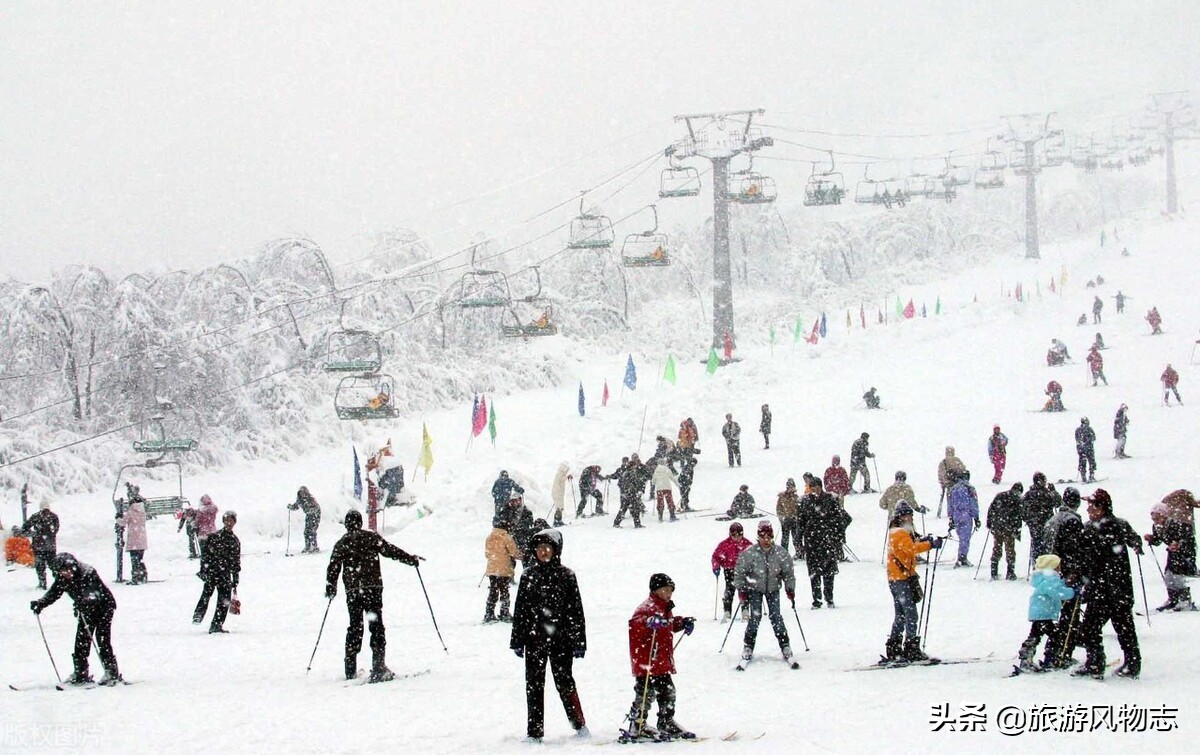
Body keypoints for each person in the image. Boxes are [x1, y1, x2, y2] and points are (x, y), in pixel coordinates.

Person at [326, 509, 422, 682]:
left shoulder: (342, 543)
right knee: (376, 626)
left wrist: (331, 587)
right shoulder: (370, 538)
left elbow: (333, 566)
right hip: (372, 589)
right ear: (360, 523)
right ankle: (378, 666)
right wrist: (410, 559)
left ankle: (350, 669)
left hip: (353, 591)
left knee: (355, 627)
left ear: (347, 524)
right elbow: (390, 550)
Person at [511, 529, 588, 742]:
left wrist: (579, 641)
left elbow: (576, 611)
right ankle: (534, 732)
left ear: (555, 550)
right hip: (534, 640)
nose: (543, 552)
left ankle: (579, 725)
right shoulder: (528, 575)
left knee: (565, 682)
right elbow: (521, 611)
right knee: (534, 685)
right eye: (539, 549)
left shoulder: (566, 575)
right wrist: (517, 640)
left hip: (561, 640)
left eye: (547, 548)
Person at [1073, 489, 1143, 679]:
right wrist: (1138, 545)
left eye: (1091, 505)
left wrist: (1078, 575)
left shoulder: (1090, 529)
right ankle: (1132, 663)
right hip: (1119, 587)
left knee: (1090, 628)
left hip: (1101, 588)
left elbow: (1083, 557)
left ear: (1100, 507)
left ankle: (1095, 663)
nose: (1087, 509)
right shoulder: (1120, 524)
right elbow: (1134, 540)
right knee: (1124, 627)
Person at [621, 574, 696, 742]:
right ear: (655, 590)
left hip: (661, 661)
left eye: (670, 590)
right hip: (647, 661)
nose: (668, 593)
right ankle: (637, 722)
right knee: (645, 693)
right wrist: (648, 622)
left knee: (668, 692)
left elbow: (666, 625)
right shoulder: (646, 607)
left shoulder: (665, 608)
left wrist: (681, 623)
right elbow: (636, 624)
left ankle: (666, 720)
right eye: (665, 589)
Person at [31, 553, 122, 685]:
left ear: (74, 566)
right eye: (62, 571)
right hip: (85, 610)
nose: (66, 573)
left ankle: (111, 672)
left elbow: (93, 593)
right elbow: (54, 593)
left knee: (102, 638)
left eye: (68, 569)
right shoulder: (62, 579)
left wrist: (84, 601)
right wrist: (41, 603)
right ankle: (80, 672)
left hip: (104, 607)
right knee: (82, 640)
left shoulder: (88, 573)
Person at [884, 502, 943, 662]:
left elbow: (911, 543)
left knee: (901, 615)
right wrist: (930, 544)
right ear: (901, 517)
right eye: (908, 515)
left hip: (898, 577)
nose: (911, 518)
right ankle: (911, 647)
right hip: (901, 578)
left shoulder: (899, 531)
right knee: (910, 614)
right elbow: (911, 549)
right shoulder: (899, 533)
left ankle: (894, 646)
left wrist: (925, 540)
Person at [733, 520, 797, 665]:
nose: (766, 540)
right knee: (755, 618)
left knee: (776, 617)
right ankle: (748, 645)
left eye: (769, 537)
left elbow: (788, 573)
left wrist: (790, 588)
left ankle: (785, 644)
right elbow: (740, 572)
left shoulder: (780, 553)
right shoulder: (750, 553)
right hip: (755, 589)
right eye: (763, 537)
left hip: (773, 589)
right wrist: (742, 589)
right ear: (758, 537)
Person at [1044, 487, 1085, 667]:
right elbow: (1074, 549)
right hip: (1067, 572)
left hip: (1050, 569)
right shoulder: (1072, 521)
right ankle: (1064, 652)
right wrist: (1076, 571)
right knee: (1070, 614)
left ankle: (1052, 650)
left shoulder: (1053, 519)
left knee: (1051, 612)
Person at [1017, 554, 1076, 671]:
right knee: (1056, 636)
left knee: (1035, 635)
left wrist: (1065, 582)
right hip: (1044, 614)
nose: (1060, 568)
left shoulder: (1044, 578)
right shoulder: (1050, 578)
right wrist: (1073, 592)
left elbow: (1056, 586)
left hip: (1039, 614)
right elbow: (1056, 591)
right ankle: (1051, 659)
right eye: (1058, 566)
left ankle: (1027, 656)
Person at [796, 478, 848, 609]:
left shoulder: (830, 499)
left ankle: (829, 597)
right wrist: (799, 541)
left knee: (829, 572)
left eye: (817, 487)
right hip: (812, 541)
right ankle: (817, 599)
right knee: (814, 572)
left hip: (827, 540)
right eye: (812, 488)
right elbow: (800, 523)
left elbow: (839, 519)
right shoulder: (805, 501)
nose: (815, 491)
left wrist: (838, 536)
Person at [194, 510, 241, 633]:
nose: (228, 523)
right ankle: (198, 615)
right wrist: (204, 569)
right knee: (207, 594)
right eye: (226, 520)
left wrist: (235, 577)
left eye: (231, 520)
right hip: (214, 571)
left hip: (223, 573)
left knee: (223, 599)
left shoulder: (234, 540)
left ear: (234, 522)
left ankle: (216, 624)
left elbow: (236, 561)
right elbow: (206, 555)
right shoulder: (215, 537)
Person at [1145, 503, 1197, 611]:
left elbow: (1188, 537)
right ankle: (1173, 598)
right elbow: (1158, 540)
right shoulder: (1157, 526)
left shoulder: (1176, 524)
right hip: (1172, 552)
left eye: (1157, 517)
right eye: (1153, 518)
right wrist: (1152, 539)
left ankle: (1185, 599)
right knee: (1169, 574)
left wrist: (1178, 545)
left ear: (1164, 515)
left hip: (1185, 552)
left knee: (1178, 574)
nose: (1155, 520)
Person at [711, 523, 752, 621]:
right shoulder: (725, 544)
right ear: (730, 534)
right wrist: (716, 566)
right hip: (729, 570)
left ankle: (745, 610)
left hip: (743, 571)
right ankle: (727, 611)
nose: (737, 538)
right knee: (729, 590)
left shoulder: (747, 544)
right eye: (734, 535)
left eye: (739, 535)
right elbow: (716, 557)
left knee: (744, 590)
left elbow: (755, 557)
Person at [484, 518, 522, 623]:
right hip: (504, 570)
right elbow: (514, 552)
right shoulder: (507, 538)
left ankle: (489, 613)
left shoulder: (489, 538)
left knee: (493, 591)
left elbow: (487, 554)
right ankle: (504, 612)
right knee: (504, 591)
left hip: (492, 570)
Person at [986, 483, 1025, 580]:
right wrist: (1017, 529)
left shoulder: (1000, 496)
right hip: (1009, 528)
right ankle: (1010, 572)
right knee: (1010, 550)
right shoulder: (1018, 499)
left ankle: (994, 572)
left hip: (997, 526)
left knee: (997, 548)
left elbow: (991, 509)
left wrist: (989, 523)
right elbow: (1020, 515)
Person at [1023, 472, 1062, 561]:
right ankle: (1046, 564)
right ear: (1040, 481)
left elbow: (1023, 510)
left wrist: (1029, 520)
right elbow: (1058, 503)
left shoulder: (1028, 494)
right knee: (1048, 545)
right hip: (1046, 523)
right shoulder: (1047, 494)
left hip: (1034, 524)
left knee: (1036, 544)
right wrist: (1053, 491)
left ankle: (1036, 564)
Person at [21, 501, 59, 590]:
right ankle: (59, 583)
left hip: (38, 546)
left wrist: (35, 534)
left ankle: (42, 583)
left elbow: (24, 528)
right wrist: (49, 534)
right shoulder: (54, 517)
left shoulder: (35, 516)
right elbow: (56, 530)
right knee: (53, 566)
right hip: (50, 546)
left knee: (40, 566)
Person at [947, 470, 979, 567]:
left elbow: (950, 505)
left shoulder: (952, 489)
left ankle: (962, 556)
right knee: (965, 538)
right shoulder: (970, 488)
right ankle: (962, 557)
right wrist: (976, 517)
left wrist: (951, 518)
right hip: (966, 515)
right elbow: (973, 504)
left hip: (956, 515)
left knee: (961, 537)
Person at [117, 495, 149, 585]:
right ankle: (143, 576)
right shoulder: (143, 512)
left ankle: (135, 578)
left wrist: (117, 518)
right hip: (142, 539)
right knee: (140, 559)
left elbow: (122, 523)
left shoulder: (131, 512)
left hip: (134, 540)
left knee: (134, 561)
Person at [613, 455, 651, 529]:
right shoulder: (631, 473)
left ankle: (616, 523)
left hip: (626, 493)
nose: (636, 467)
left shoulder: (626, 472)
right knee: (635, 508)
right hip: (631, 493)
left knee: (624, 508)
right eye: (634, 466)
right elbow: (634, 483)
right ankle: (637, 524)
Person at [289, 486, 322, 553]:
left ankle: (314, 546)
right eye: (301, 493)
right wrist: (290, 507)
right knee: (306, 532)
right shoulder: (300, 500)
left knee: (312, 531)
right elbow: (296, 507)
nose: (302, 494)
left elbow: (317, 508)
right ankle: (307, 546)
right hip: (308, 516)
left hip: (315, 516)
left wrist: (311, 511)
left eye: (303, 492)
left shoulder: (311, 500)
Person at [936, 447, 966, 516]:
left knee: (949, 497)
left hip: (949, 483)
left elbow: (940, 474)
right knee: (959, 497)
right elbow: (963, 469)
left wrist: (943, 483)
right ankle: (959, 510)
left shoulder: (943, 462)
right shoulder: (957, 460)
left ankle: (951, 512)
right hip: (958, 482)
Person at [776, 479, 801, 559]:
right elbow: (779, 508)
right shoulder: (782, 497)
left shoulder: (797, 497)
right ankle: (784, 554)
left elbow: (799, 509)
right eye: (789, 486)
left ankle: (799, 553)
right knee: (785, 539)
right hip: (786, 520)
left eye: (792, 486)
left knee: (796, 538)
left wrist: (797, 517)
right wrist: (780, 517)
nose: (790, 488)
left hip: (794, 520)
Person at [650, 456, 679, 522]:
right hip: (667, 487)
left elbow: (653, 482)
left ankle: (660, 517)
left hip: (659, 489)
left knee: (660, 502)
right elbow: (672, 478)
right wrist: (678, 485)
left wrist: (655, 483)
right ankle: (672, 515)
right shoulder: (667, 469)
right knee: (669, 501)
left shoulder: (656, 471)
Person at [1075, 417, 1097, 483]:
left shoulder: (1078, 430)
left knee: (1082, 462)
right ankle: (1091, 476)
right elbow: (1094, 438)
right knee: (1091, 462)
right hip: (1089, 448)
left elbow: (1077, 439)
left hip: (1081, 449)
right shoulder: (1089, 429)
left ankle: (1083, 476)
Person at [551, 462, 573, 527]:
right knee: (559, 507)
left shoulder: (561, 474)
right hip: (557, 493)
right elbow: (560, 480)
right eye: (566, 470)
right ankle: (557, 521)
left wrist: (567, 477)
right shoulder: (560, 474)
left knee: (559, 507)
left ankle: (558, 520)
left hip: (559, 493)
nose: (567, 471)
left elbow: (562, 480)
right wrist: (567, 477)